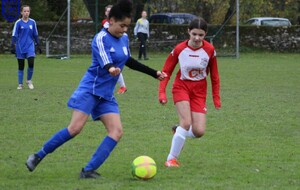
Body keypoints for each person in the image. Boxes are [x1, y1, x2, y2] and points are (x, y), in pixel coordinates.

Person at [25, 0, 167, 179]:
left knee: (116, 131)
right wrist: (110, 68)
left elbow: (128, 61)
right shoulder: (101, 38)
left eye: (127, 26)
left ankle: (88, 170)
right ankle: (38, 155)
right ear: (111, 20)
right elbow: (105, 59)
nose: (124, 30)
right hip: (90, 90)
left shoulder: (123, 39)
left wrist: (154, 73)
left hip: (106, 95)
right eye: (122, 25)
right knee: (75, 128)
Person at [159, 17, 221, 167]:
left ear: (205, 34)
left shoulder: (210, 50)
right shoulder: (180, 49)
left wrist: (216, 97)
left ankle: (178, 131)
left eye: (201, 35)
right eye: (194, 34)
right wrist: (162, 92)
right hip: (181, 87)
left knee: (199, 131)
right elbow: (166, 71)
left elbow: (214, 75)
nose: (197, 38)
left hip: (199, 91)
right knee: (186, 122)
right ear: (188, 32)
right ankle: (171, 159)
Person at [11, 5, 41, 90]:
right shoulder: (18, 23)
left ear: (29, 12)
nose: (26, 13)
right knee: (21, 66)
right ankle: (20, 84)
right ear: (21, 12)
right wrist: (12, 45)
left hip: (30, 46)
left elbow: (35, 34)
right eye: (24, 11)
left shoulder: (32, 22)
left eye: (28, 11)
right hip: (20, 47)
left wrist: (38, 44)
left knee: (31, 63)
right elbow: (14, 35)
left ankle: (29, 80)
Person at [102, 4, 127, 94]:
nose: (108, 12)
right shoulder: (105, 22)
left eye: (110, 11)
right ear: (105, 13)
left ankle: (122, 86)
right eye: (107, 11)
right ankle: (122, 86)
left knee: (115, 67)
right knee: (112, 67)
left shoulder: (117, 23)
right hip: (109, 47)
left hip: (116, 46)